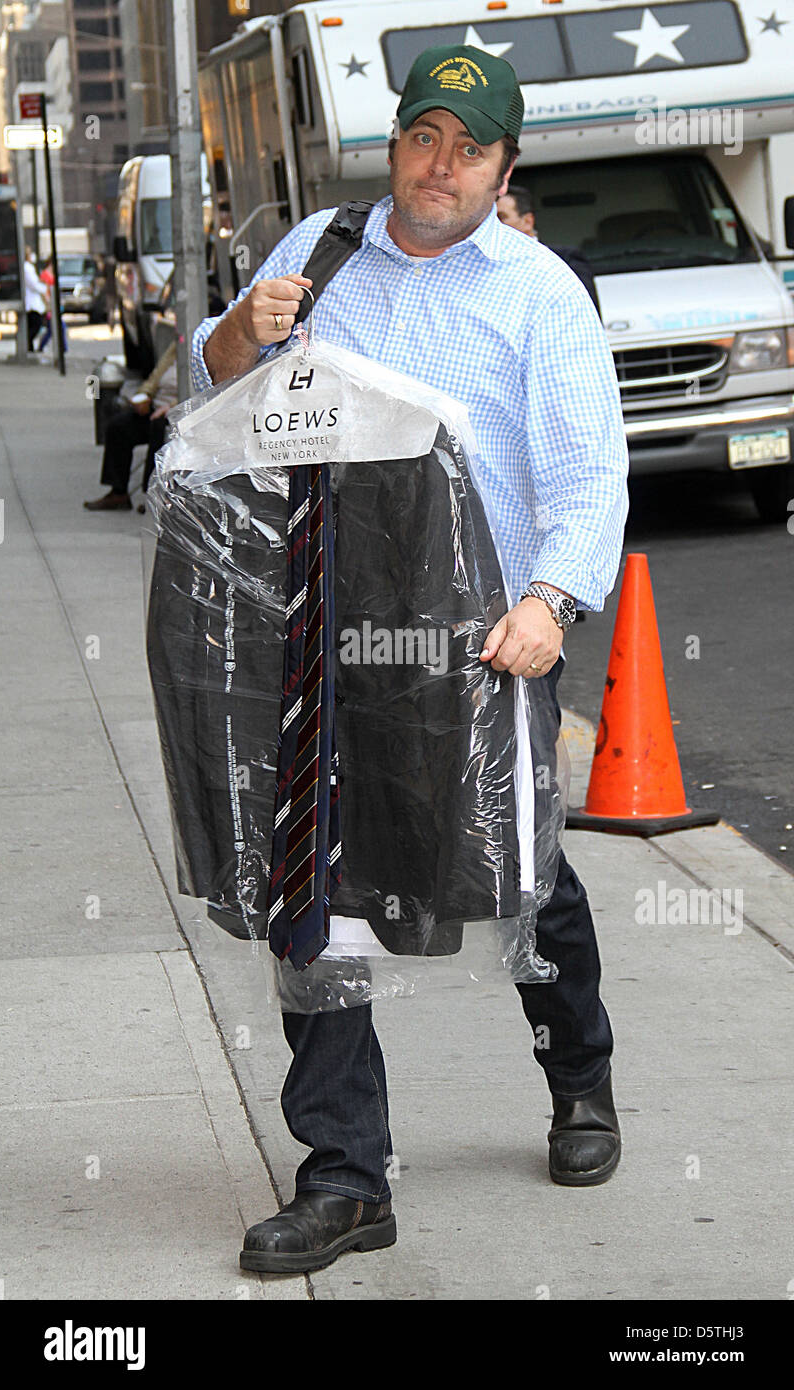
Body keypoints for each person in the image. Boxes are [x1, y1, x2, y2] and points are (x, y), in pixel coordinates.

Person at [190, 43, 629, 1274]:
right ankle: (344, 1172)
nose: (440, 166)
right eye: (423, 138)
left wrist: (549, 601)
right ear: (392, 145)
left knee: (517, 872)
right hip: (323, 627)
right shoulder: (314, 257)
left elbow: (588, 474)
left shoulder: (539, 293)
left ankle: (578, 1074)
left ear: (504, 168)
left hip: (484, 638)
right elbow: (207, 404)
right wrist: (233, 337)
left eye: (469, 148)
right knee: (310, 892)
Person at [83, 341, 177, 510]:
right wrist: (144, 395)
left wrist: (171, 407)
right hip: (155, 406)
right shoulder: (176, 346)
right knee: (119, 426)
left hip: (176, 412)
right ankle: (118, 492)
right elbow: (155, 377)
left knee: (158, 429)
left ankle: (150, 494)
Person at [497, 182, 601, 314]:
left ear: (528, 221)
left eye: (501, 218)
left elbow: (586, 315)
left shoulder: (566, 260)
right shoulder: (483, 265)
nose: (495, 226)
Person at [36, 257, 68, 354]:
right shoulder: (45, 275)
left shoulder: (52, 274)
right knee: (57, 327)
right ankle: (63, 347)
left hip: (54, 303)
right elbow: (44, 291)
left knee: (54, 328)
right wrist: (48, 303)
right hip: (50, 305)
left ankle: (62, 347)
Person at [23, 246, 47, 350]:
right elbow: (34, 284)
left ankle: (30, 348)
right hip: (32, 303)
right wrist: (44, 287)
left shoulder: (28, 267)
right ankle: (28, 346)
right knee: (36, 325)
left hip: (32, 301)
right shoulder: (27, 267)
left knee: (31, 326)